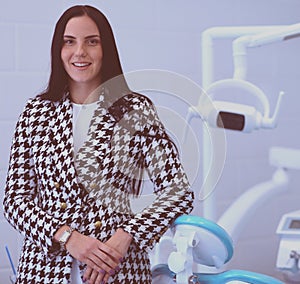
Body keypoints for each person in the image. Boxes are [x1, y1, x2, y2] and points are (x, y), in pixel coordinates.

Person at [3, 5, 194, 284]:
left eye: (91, 41)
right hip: (43, 272)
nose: (80, 52)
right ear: (59, 50)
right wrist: (68, 237)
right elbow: (15, 201)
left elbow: (178, 192)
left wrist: (126, 234)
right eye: (69, 42)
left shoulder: (135, 110)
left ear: (106, 50)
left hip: (117, 270)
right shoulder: (35, 112)